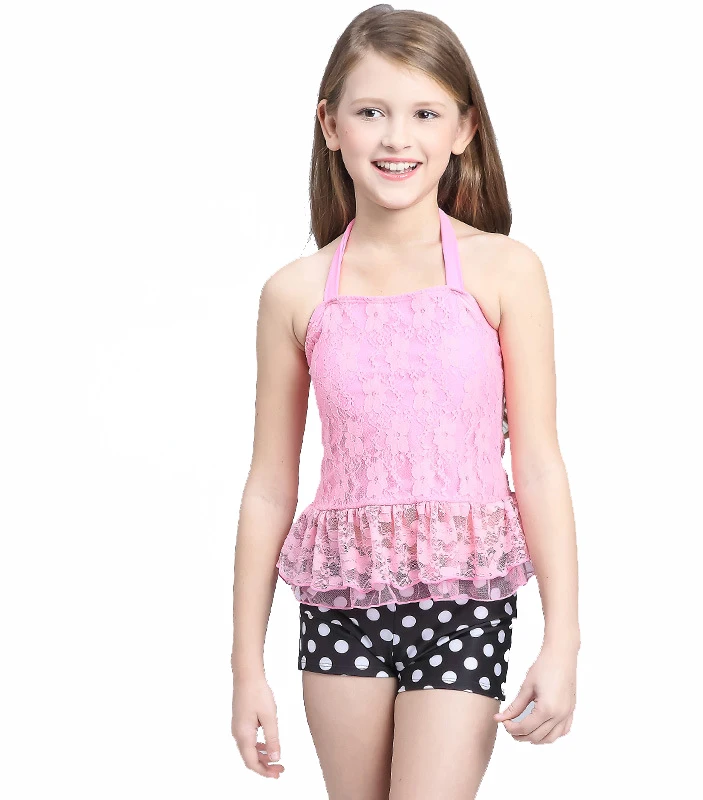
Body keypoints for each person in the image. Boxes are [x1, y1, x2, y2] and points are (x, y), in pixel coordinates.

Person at [231, 4, 580, 797]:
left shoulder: (505, 271)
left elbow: (538, 463)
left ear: (463, 129)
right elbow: (269, 486)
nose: (397, 138)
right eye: (371, 112)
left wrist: (563, 640)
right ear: (330, 125)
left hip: (466, 598)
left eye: (425, 113)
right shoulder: (294, 292)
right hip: (341, 598)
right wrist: (247, 667)